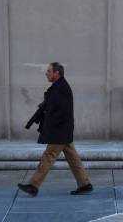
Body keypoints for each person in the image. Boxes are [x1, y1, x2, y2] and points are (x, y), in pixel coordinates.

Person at [17, 62, 93, 197]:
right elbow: (50, 107)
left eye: (49, 71)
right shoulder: (57, 87)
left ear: (57, 73)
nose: (46, 73)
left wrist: (50, 123)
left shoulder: (62, 88)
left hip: (60, 130)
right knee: (73, 158)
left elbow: (63, 112)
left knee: (48, 157)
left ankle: (33, 185)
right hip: (62, 130)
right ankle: (85, 184)